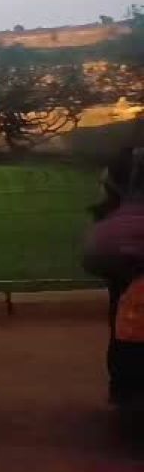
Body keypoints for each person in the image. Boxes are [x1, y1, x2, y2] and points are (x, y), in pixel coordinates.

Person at [84, 146, 144, 416]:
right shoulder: (130, 157)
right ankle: (126, 386)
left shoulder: (127, 156)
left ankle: (125, 387)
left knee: (122, 307)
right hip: (127, 250)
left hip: (121, 252)